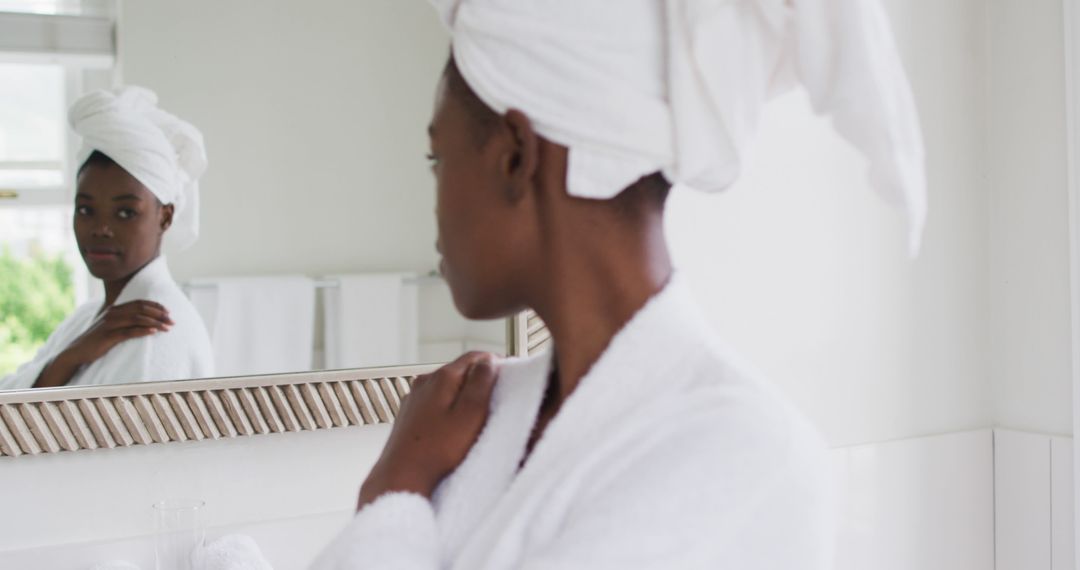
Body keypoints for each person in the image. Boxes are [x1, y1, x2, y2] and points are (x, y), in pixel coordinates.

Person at [315, 0, 925, 567]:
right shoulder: (486, 414)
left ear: (515, 156)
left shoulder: (745, 460)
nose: (436, 199)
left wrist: (392, 490)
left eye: (437, 159)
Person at [0, 86, 213, 390]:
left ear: (164, 216)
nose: (100, 228)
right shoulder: (90, 317)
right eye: (86, 209)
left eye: (125, 212)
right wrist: (68, 359)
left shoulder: (156, 331)